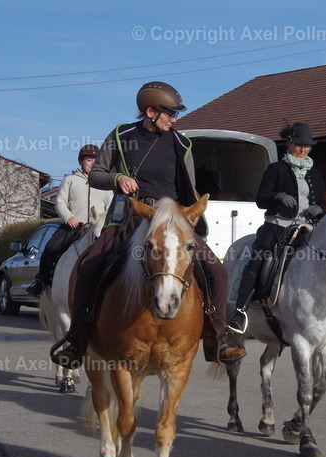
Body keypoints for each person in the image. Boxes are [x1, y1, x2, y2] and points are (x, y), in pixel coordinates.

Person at [50, 81, 246, 369]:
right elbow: (97, 175)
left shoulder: (180, 143)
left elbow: (188, 186)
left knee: (216, 270)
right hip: (132, 215)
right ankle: (77, 339)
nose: (175, 119)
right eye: (169, 113)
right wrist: (117, 179)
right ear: (150, 111)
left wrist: (190, 215)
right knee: (90, 264)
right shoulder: (121, 135)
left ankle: (218, 335)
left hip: (172, 219)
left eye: (175, 114)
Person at [227, 121, 326, 335]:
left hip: (307, 227)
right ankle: (240, 310)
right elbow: (261, 199)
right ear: (289, 143)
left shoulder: (316, 175)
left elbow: (323, 205)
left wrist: (317, 209)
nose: (303, 149)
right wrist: (277, 197)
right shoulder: (276, 169)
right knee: (258, 256)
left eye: (307, 146)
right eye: (298, 144)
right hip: (278, 224)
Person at [28, 145, 111, 297]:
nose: (92, 163)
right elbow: (60, 203)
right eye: (89, 159)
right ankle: (41, 281)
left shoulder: (105, 183)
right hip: (74, 226)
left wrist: (103, 221)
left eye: (96, 160)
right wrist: (68, 217)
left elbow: (110, 207)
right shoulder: (70, 180)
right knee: (51, 248)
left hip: (98, 228)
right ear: (81, 161)